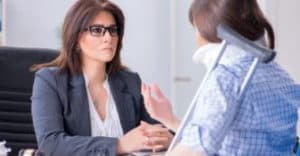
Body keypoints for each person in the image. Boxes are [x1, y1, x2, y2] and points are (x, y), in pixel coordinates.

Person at [142, 0, 300, 155]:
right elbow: (230, 136)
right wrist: (170, 119)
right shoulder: (280, 75)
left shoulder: (226, 78)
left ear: (208, 30)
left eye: (195, 29)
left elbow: (195, 149)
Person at [30, 0, 173, 155]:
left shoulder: (130, 82)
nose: (108, 38)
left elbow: (155, 133)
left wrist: (166, 137)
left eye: (113, 30)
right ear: (76, 38)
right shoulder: (50, 81)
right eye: (97, 30)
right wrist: (119, 145)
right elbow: (51, 143)